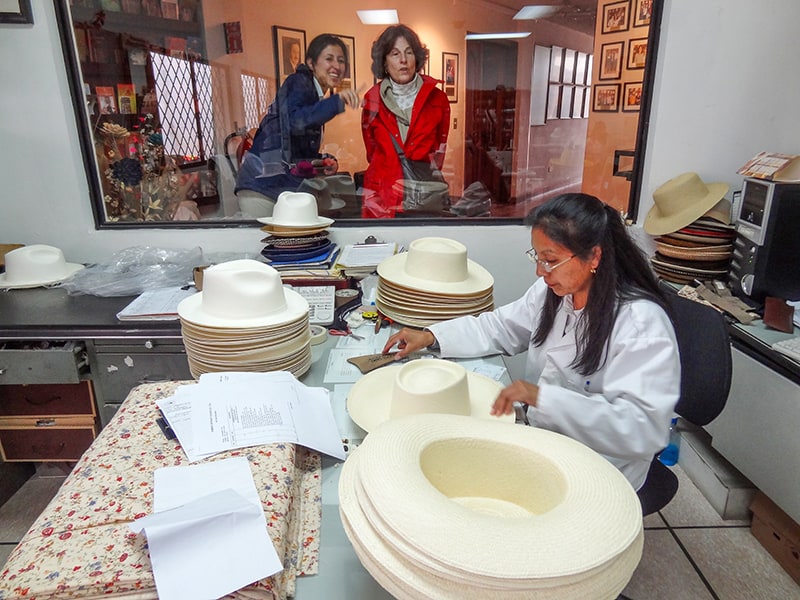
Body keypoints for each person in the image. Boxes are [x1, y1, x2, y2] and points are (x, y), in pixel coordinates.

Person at [383, 193, 681, 492]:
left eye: (550, 260)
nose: (540, 271)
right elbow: (500, 326)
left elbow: (643, 428)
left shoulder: (641, 324)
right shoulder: (552, 292)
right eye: (537, 257)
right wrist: (432, 335)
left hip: (602, 466)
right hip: (547, 439)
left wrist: (542, 397)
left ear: (595, 257)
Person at [235, 34, 361, 217]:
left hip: (275, 187)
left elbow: (294, 147)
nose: (336, 66)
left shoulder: (313, 93)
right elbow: (296, 121)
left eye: (341, 60)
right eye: (329, 58)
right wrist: (336, 102)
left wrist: (319, 161)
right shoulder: (299, 82)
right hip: (263, 190)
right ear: (311, 63)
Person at [361, 25, 450, 218]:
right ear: (384, 62)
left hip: (423, 194)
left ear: (417, 58)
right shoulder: (372, 100)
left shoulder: (438, 99)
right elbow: (372, 152)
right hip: (382, 196)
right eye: (395, 54)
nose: (403, 60)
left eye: (409, 52)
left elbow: (438, 150)